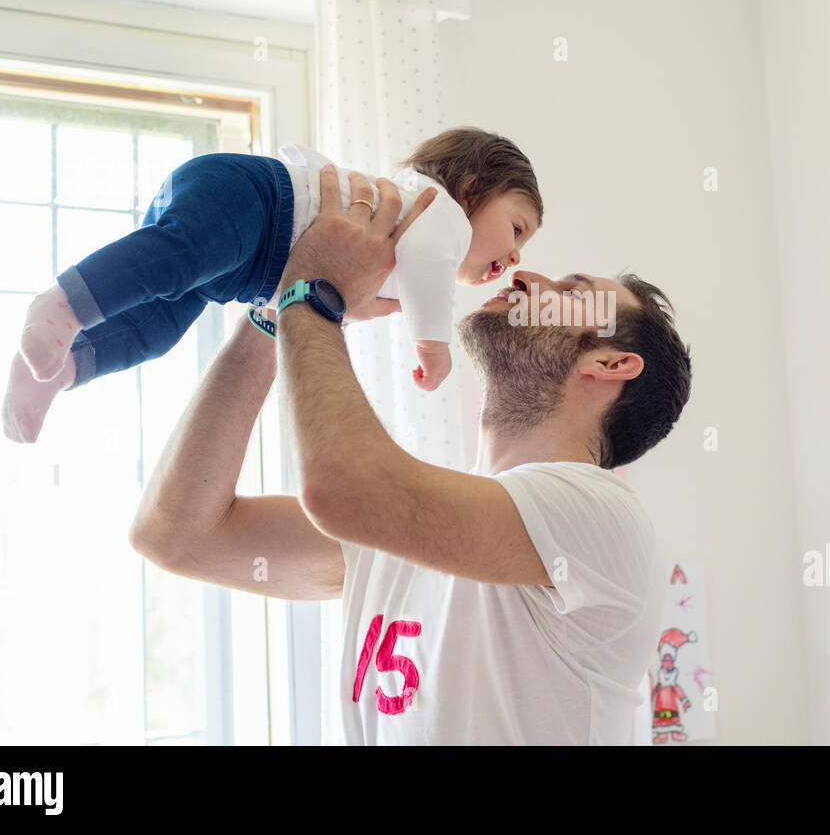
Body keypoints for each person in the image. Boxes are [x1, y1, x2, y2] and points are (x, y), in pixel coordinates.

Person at [129, 164, 693, 744]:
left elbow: (344, 490)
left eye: (571, 294)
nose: (528, 277)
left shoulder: (602, 517)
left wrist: (316, 292)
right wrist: (276, 308)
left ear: (609, 364)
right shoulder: (404, 527)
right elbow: (174, 535)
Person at [1, 128, 542, 443]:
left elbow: (333, 286)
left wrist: (337, 309)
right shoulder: (439, 213)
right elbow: (425, 260)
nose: (515, 257)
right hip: (257, 201)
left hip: (254, 270)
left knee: (161, 324)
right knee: (173, 261)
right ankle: (61, 306)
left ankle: (63, 366)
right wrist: (432, 344)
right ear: (471, 189)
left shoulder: (420, 254)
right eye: (516, 228)